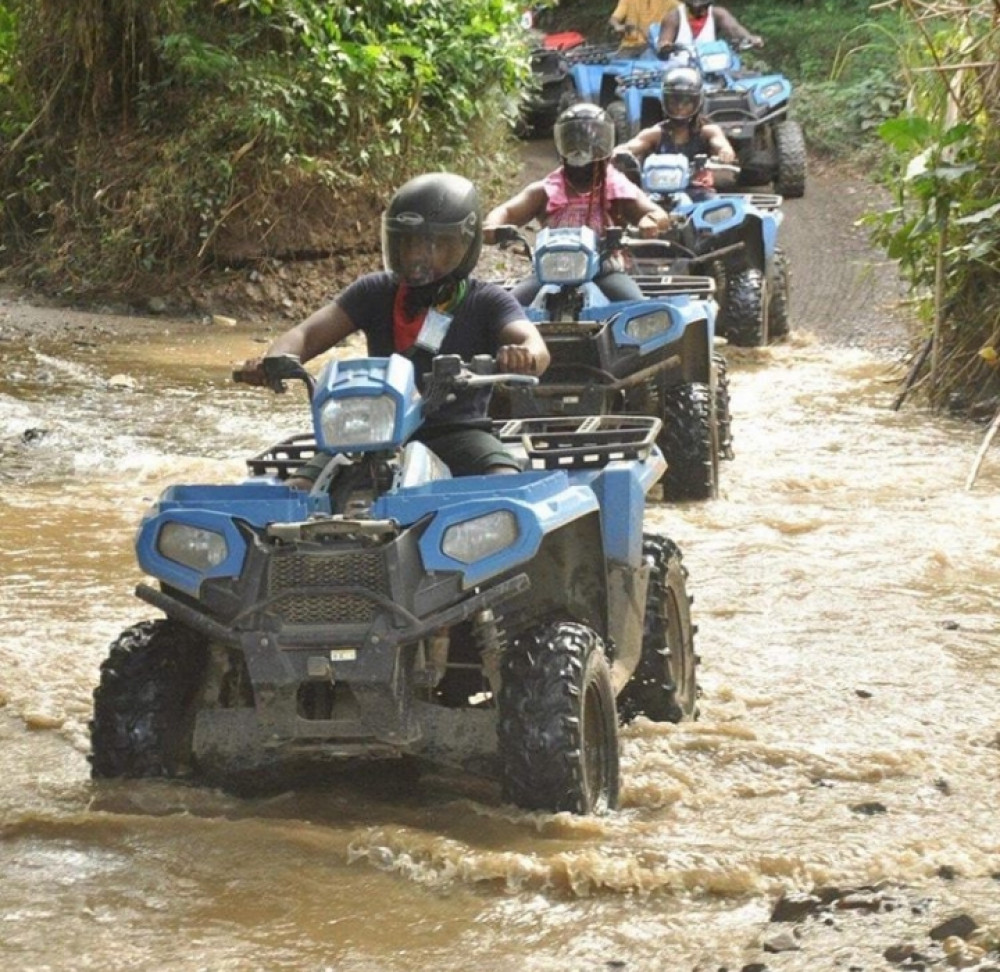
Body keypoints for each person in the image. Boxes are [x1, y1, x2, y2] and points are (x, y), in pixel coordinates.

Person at [238, 172, 550, 485]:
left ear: (465, 246)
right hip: (367, 433)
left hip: (456, 432)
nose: (416, 257)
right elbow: (305, 334)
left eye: (434, 246)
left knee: (503, 478)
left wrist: (523, 355)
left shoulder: (488, 300)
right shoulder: (374, 291)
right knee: (299, 489)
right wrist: (276, 358)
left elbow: (534, 345)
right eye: (408, 244)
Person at [482, 103, 673, 306]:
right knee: (506, 313)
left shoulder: (617, 187)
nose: (580, 152)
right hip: (548, 273)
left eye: (588, 144)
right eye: (572, 144)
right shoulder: (546, 190)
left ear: (604, 145)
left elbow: (657, 213)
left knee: (639, 311)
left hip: (605, 272)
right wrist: (493, 227)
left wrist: (649, 221)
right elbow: (506, 211)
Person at [613, 64, 737, 199]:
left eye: (686, 102)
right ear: (665, 102)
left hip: (700, 192)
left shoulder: (708, 131)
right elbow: (632, 145)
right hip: (657, 195)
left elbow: (722, 145)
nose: (679, 107)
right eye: (673, 101)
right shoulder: (655, 134)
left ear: (697, 102)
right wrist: (618, 152)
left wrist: (725, 152)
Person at [656, 0, 762, 52]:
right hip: (680, 67)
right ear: (689, 6)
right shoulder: (674, 17)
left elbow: (734, 28)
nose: (704, 10)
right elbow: (664, 41)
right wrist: (665, 47)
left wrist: (749, 38)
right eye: (699, 8)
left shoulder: (717, 14)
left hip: (711, 65)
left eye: (706, 6)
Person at [608, 0, 679, 57]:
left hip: (654, 48)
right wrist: (617, 26)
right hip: (629, 47)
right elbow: (614, 19)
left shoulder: (672, 3)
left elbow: (683, 19)